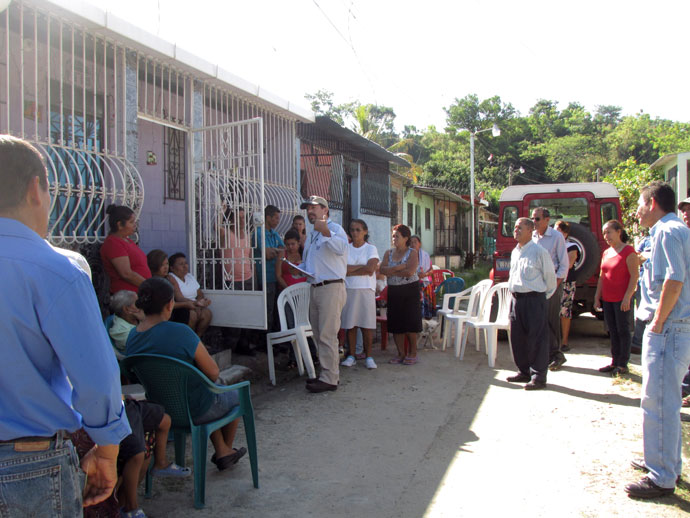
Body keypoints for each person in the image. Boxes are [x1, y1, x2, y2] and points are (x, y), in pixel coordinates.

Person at [0, 135, 130, 512]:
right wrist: (107, 447)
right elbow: (96, 377)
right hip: (29, 464)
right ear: (35, 190)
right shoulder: (58, 270)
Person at [125, 277, 247, 471]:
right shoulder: (181, 332)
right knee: (235, 394)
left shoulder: (133, 336)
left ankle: (223, 450)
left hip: (160, 410)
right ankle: (225, 450)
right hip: (196, 408)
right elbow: (213, 373)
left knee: (206, 390)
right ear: (170, 304)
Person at [624, 181, 690, 499]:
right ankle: (664, 463)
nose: (636, 211)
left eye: (639, 203)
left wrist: (659, 324)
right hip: (673, 327)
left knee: (659, 403)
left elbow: (674, 280)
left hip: (668, 328)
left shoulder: (666, 230)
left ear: (652, 204)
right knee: (665, 402)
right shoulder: (672, 229)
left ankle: (662, 477)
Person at [300, 195, 349, 393]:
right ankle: (325, 374)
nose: (309, 212)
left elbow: (340, 249)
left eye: (313, 208)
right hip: (315, 287)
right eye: (307, 209)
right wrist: (298, 268)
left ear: (324, 210)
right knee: (318, 334)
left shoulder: (336, 229)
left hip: (331, 287)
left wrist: (326, 231)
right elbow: (310, 263)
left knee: (328, 334)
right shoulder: (312, 235)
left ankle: (330, 378)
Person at [506, 217, 557, 390]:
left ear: (530, 230)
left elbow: (550, 280)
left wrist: (540, 298)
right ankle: (524, 371)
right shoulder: (515, 251)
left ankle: (539, 377)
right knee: (518, 338)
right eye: (514, 227)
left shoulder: (539, 251)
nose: (516, 230)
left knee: (537, 339)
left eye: (520, 227)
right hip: (516, 300)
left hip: (534, 300)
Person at [118, 399, 190, 518]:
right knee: (138, 453)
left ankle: (160, 463)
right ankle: (130, 507)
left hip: (125, 405)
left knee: (165, 420)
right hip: (115, 410)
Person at [593, 220, 638, 376]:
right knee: (612, 330)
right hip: (608, 298)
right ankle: (614, 361)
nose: (606, 236)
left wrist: (627, 297)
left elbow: (634, 277)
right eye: (604, 233)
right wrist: (597, 296)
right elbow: (602, 276)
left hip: (622, 298)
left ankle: (623, 363)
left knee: (623, 330)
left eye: (609, 232)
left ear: (619, 232)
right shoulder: (606, 252)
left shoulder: (629, 251)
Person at [531, 207, 569, 371]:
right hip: (535, 284)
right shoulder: (533, 236)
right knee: (539, 320)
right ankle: (543, 354)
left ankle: (556, 354)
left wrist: (555, 284)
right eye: (532, 219)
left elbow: (564, 264)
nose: (534, 222)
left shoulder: (556, 236)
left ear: (547, 220)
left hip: (551, 284)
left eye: (537, 219)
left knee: (551, 320)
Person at [379, 224, 422, 365]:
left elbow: (410, 272)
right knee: (396, 323)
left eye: (397, 236)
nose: (394, 238)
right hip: (394, 290)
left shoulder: (412, 253)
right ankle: (400, 353)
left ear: (405, 238)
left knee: (410, 322)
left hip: (410, 290)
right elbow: (383, 270)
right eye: (393, 236)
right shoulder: (388, 253)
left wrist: (393, 270)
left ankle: (412, 353)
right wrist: (400, 267)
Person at [340, 219, 380, 370]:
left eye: (358, 230)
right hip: (349, 290)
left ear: (365, 231)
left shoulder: (371, 249)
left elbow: (370, 270)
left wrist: (351, 270)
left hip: (366, 290)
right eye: (352, 230)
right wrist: (360, 268)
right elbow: (342, 269)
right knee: (351, 325)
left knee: (366, 325)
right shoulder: (346, 249)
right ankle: (351, 355)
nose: (355, 233)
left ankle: (369, 356)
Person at [100, 204, 151, 293]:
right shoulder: (113, 243)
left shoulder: (127, 240)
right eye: (131, 222)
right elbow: (126, 273)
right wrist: (149, 286)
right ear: (120, 225)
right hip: (129, 295)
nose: (135, 225)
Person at [254, 205, 285, 332]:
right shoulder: (259, 233)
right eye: (276, 218)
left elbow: (284, 250)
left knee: (275, 312)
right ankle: (264, 342)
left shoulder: (274, 234)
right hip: (265, 277)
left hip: (275, 277)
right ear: (268, 217)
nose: (278, 221)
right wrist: (276, 251)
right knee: (267, 312)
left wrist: (275, 251)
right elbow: (267, 255)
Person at [168, 252, 213, 337]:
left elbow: (199, 293)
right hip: (182, 307)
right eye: (181, 264)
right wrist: (196, 304)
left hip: (195, 305)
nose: (185, 266)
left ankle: (198, 340)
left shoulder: (189, 276)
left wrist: (200, 302)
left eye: (186, 263)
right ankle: (188, 340)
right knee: (192, 315)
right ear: (172, 268)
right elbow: (179, 298)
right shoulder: (171, 278)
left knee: (207, 313)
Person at [146, 249, 191, 326]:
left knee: (185, 311)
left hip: (171, 311)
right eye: (162, 265)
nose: (166, 267)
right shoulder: (151, 281)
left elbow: (179, 297)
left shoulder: (169, 278)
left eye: (166, 264)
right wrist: (186, 304)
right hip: (158, 314)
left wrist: (195, 303)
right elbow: (163, 305)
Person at [554, 221, 579, 352]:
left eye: (558, 230)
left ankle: (564, 342)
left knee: (565, 311)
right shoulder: (552, 245)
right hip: (551, 282)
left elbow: (568, 265)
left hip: (566, 282)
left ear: (565, 233)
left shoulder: (571, 246)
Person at [410, 235, 433, 318]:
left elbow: (431, 270)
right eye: (411, 242)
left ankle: (427, 315)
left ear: (419, 244)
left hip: (425, 279)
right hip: (413, 280)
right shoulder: (407, 255)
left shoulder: (425, 255)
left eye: (415, 242)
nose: (413, 244)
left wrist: (425, 274)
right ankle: (419, 316)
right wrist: (416, 276)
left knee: (425, 285)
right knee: (418, 285)